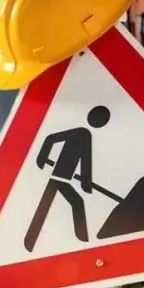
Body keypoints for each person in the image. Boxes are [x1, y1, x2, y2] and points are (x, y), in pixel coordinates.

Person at [24, 105, 111, 252]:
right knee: (71, 203)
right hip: (58, 178)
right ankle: (83, 242)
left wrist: (86, 183)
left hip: (63, 179)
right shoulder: (81, 133)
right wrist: (42, 157)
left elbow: (85, 162)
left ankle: (30, 241)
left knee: (50, 206)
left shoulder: (85, 135)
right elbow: (52, 138)